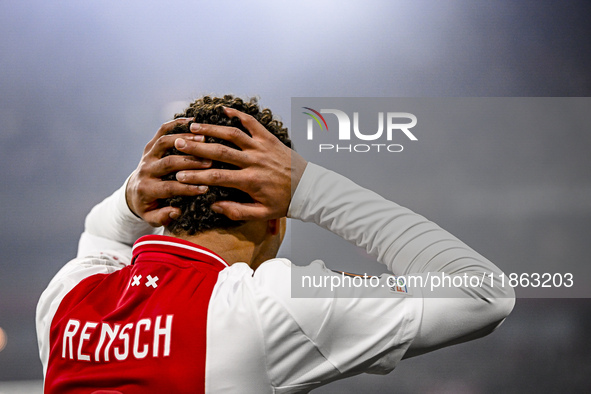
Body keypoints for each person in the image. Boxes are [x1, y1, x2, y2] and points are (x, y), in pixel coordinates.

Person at [36, 95, 515, 393]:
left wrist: (128, 196)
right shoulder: (264, 307)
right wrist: (309, 188)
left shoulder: (67, 296)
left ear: (161, 201)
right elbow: (483, 295)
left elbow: (102, 231)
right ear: (274, 221)